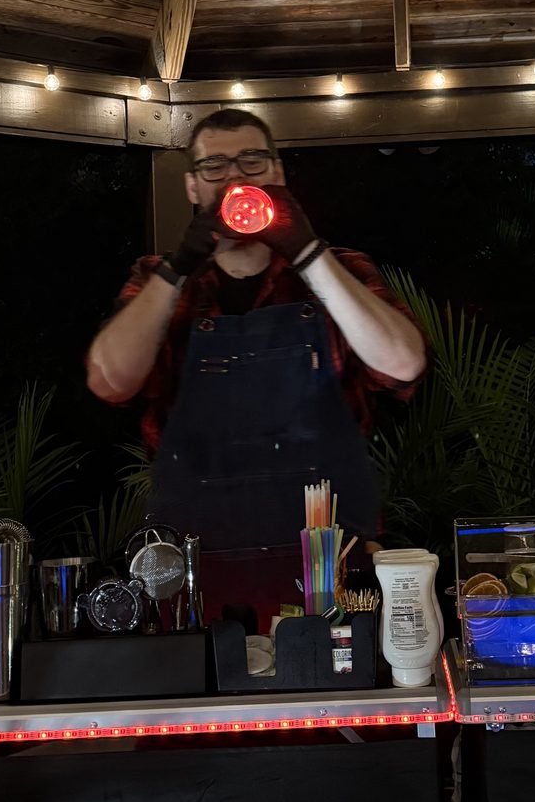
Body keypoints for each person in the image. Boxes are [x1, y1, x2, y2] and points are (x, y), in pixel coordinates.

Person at [87, 110, 427, 626]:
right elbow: (110, 381)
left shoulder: (340, 269)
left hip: (331, 577)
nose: (235, 179)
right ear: (192, 187)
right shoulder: (160, 281)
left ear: (278, 175)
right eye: (215, 166)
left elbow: (404, 364)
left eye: (251, 161)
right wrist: (180, 264)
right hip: (194, 583)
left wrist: (307, 251)